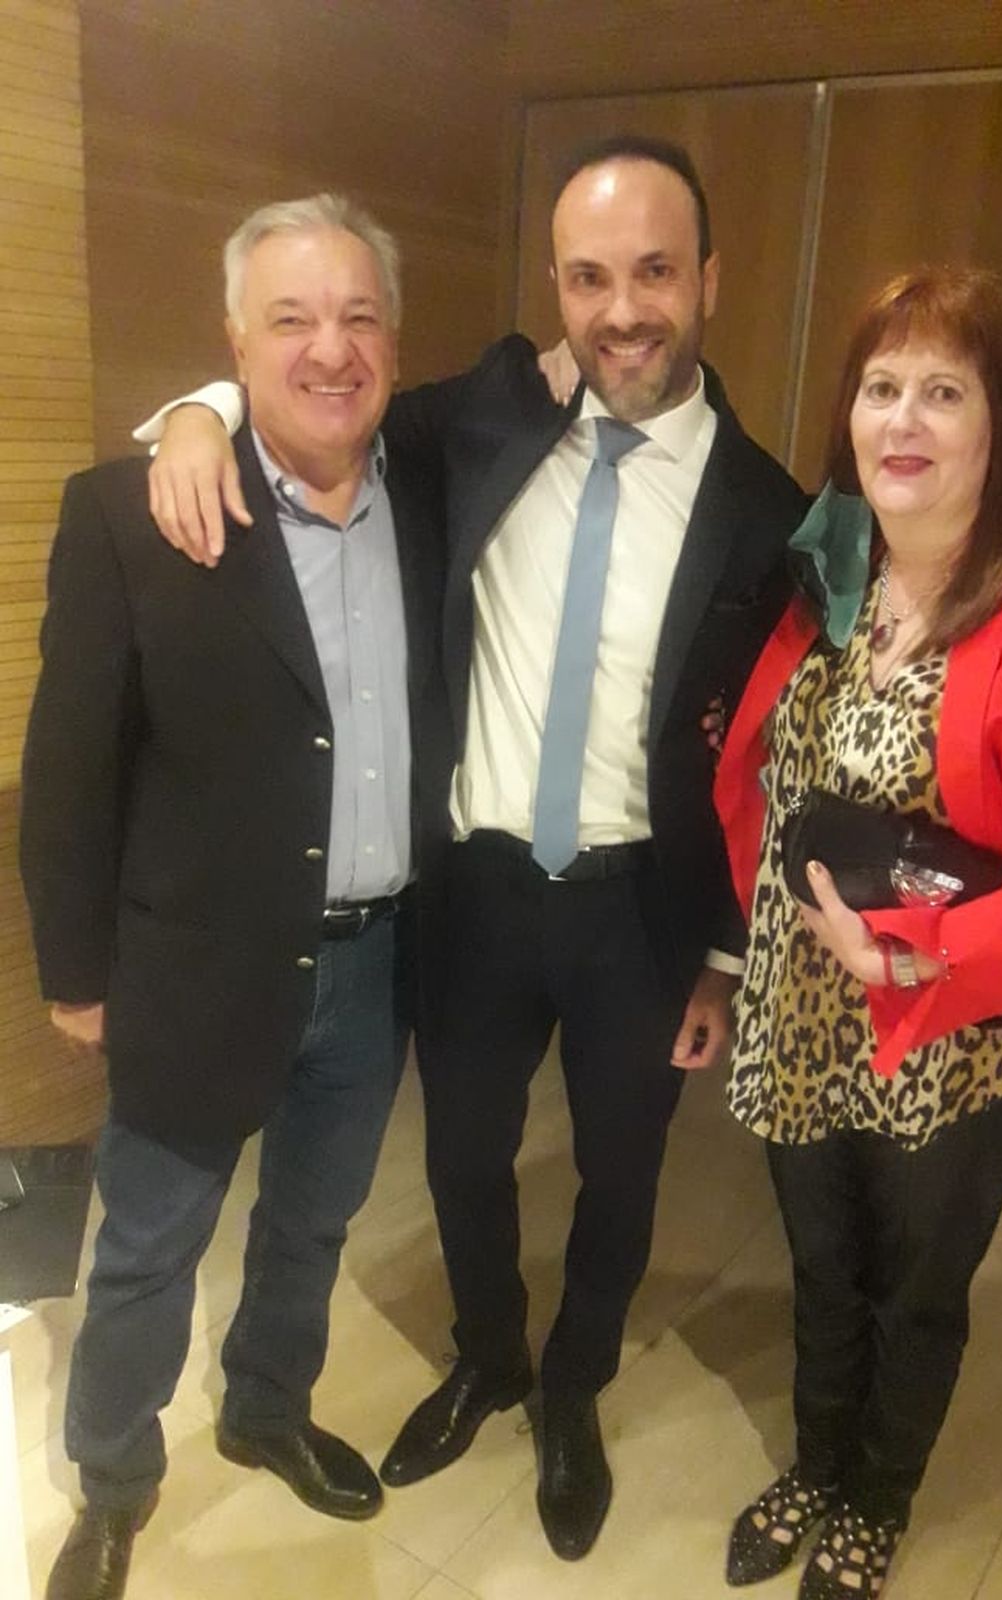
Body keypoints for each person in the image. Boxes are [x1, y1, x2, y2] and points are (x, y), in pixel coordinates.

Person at [135, 135, 811, 1560]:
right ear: (553, 285)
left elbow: (759, 756)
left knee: (622, 1176)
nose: (620, 309)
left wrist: (723, 953)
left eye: (652, 273)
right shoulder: (485, 428)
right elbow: (318, 398)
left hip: (641, 910)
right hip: (479, 891)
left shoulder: (767, 509)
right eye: (586, 276)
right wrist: (193, 412)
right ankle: (493, 1354)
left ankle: (573, 1389)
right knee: (461, 1159)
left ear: (709, 279)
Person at [20, 194, 447, 1600]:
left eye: (360, 314)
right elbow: (69, 769)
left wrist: (200, 404)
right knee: (145, 1252)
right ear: (233, 341)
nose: (332, 348)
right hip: (195, 967)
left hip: (374, 962)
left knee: (312, 1223)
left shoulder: (432, 488)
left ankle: (266, 1406)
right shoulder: (134, 511)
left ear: (394, 335)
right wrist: (78, 977)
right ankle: (115, 1481)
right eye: (290, 319)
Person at [713, 266, 1002, 1597]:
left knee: (915, 1286)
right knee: (820, 1261)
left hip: (953, 1026)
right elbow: (766, 784)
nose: (902, 419)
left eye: (944, 391)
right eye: (881, 385)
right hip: (803, 1001)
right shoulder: (825, 578)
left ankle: (874, 1496)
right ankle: (813, 1459)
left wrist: (907, 957)